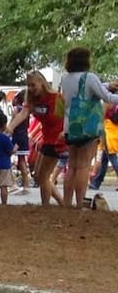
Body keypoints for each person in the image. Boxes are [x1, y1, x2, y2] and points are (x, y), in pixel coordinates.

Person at [58, 48, 115, 210]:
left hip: (70, 127)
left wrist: (105, 85)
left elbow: (83, 89)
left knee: (72, 165)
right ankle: (79, 203)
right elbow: (107, 97)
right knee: (83, 166)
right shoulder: (90, 77)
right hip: (88, 128)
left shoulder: (65, 79)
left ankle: (67, 203)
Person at [18, 69, 65, 206]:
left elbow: (67, 115)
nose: (31, 89)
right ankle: (62, 204)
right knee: (38, 176)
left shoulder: (56, 98)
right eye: (28, 86)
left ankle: (46, 206)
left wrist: (66, 132)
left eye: (33, 85)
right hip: (46, 140)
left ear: (41, 83)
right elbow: (23, 113)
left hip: (58, 140)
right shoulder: (33, 100)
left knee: (44, 175)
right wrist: (10, 127)